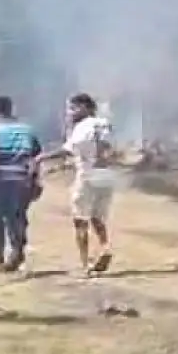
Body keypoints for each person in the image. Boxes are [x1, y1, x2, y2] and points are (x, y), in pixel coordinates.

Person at [0, 95, 42, 273]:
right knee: (17, 217)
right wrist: (36, 179)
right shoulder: (27, 130)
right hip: (22, 180)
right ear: (11, 110)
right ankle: (17, 251)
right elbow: (35, 157)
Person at [61, 92, 117, 276]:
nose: (69, 113)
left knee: (80, 221)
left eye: (72, 108)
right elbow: (109, 149)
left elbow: (68, 151)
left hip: (88, 175)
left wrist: (40, 158)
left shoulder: (82, 127)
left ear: (84, 108)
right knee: (98, 217)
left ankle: (85, 266)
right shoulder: (105, 124)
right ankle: (105, 247)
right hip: (107, 176)